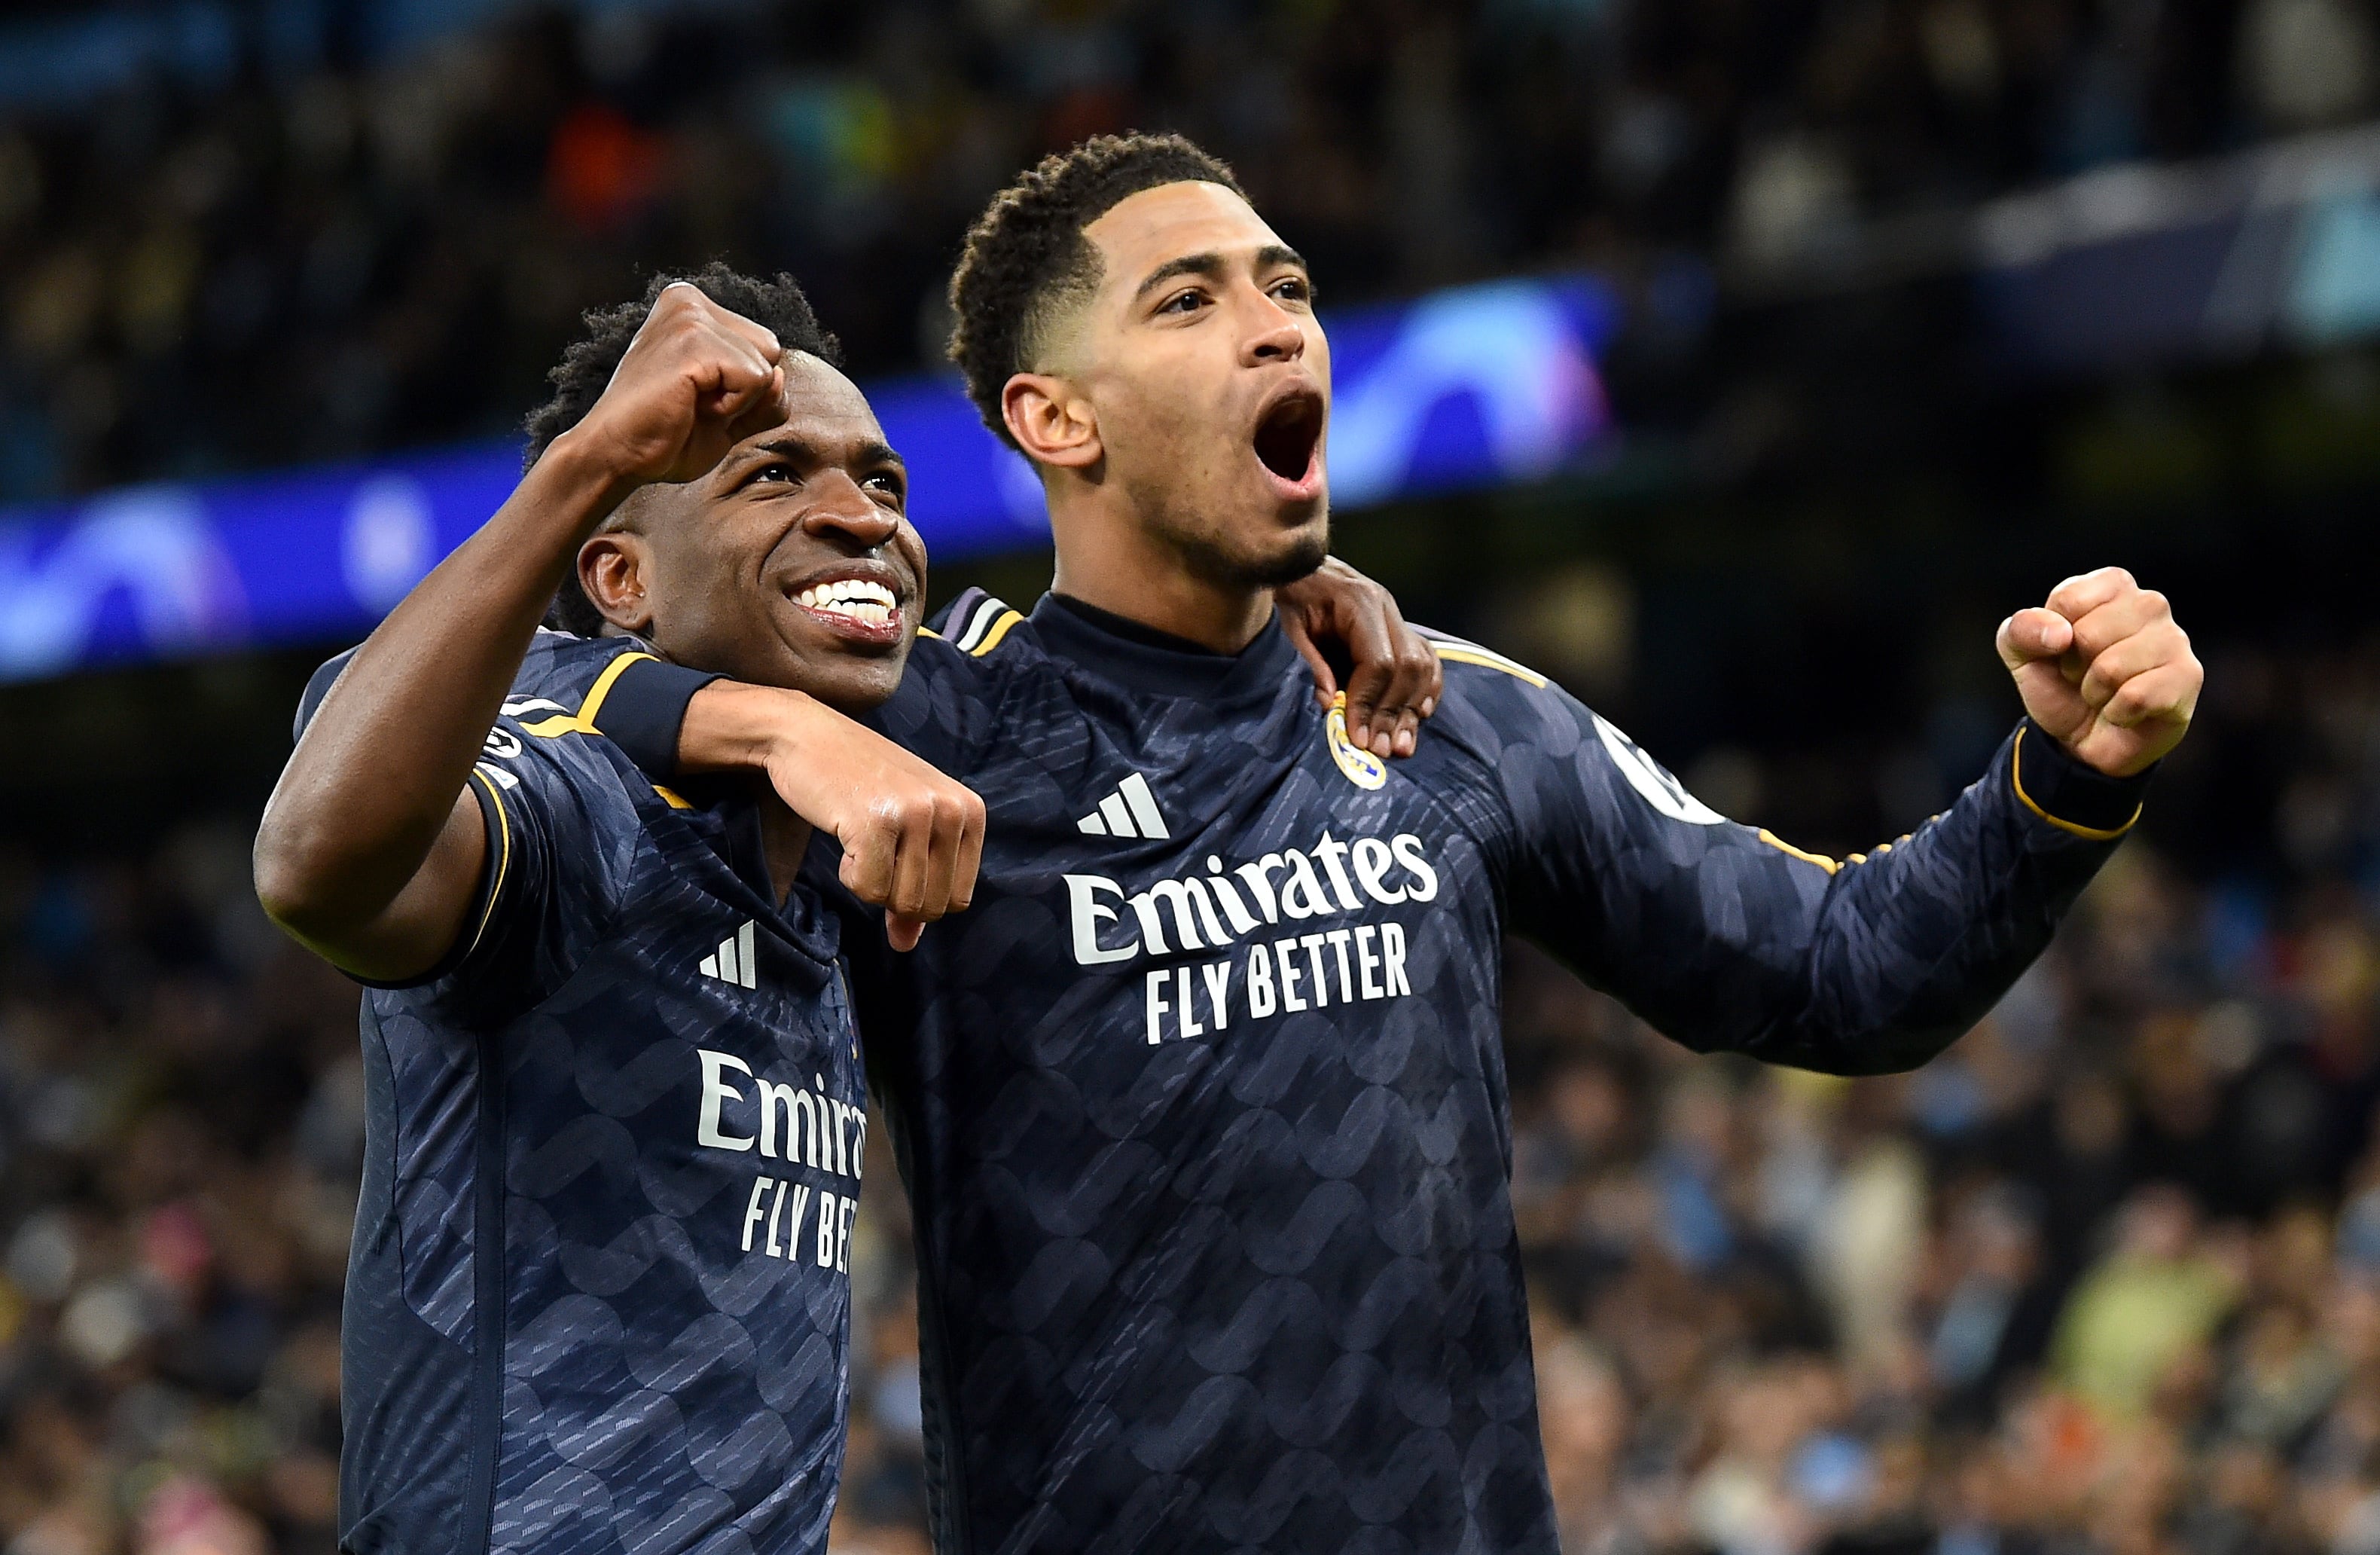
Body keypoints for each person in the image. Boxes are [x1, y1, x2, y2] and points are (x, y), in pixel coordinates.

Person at [596, 134, 2205, 1553]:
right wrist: (759, 726)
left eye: (1282, 284)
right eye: (1187, 300)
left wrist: (2055, 782)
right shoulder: (928, 741)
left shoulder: (1439, 710)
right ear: (1052, 417)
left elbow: (1841, 975)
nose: (1275, 319)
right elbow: (525, 698)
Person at [250, 265, 1448, 1555]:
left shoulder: (845, 866)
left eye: (882, 482)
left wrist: (1256, 594)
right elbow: (318, 849)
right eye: (773, 475)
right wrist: (598, 468)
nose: (860, 517)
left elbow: (1077, 674)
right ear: (617, 578)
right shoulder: (568, 822)